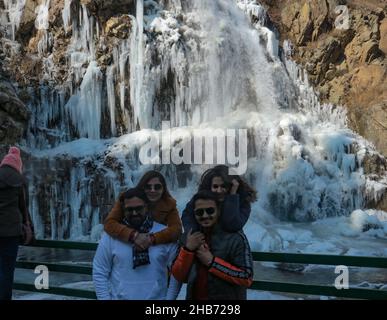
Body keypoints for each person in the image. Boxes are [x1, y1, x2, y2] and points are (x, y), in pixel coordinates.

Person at [93, 188, 180, 300]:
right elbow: (99, 271)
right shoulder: (111, 237)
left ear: (147, 207)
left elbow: (176, 272)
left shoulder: (163, 234)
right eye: (130, 209)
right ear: (123, 210)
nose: (134, 213)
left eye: (139, 208)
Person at [172, 190, 253, 300]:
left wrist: (212, 262)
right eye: (199, 212)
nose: (205, 215)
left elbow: (246, 277)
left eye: (210, 211)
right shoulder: (189, 238)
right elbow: (178, 276)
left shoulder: (236, 238)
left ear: (219, 211)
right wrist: (187, 250)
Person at [104, 171, 182, 250]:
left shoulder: (169, 204)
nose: (152, 190)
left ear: (163, 189)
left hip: (156, 248)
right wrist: (133, 235)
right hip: (125, 245)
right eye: (148, 187)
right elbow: (109, 223)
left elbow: (177, 230)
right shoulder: (128, 199)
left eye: (157, 187)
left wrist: (151, 239)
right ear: (142, 187)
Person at [182, 165, 257, 233]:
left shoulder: (243, 201)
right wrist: (195, 234)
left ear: (231, 186)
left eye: (223, 186)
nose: (219, 191)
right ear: (210, 186)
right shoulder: (203, 196)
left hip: (231, 243)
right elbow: (187, 215)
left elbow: (232, 226)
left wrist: (232, 196)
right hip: (206, 240)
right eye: (215, 186)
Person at [0, 147, 33, 300]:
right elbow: (24, 208)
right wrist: (30, 229)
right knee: (7, 271)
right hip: (11, 232)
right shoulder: (20, 181)